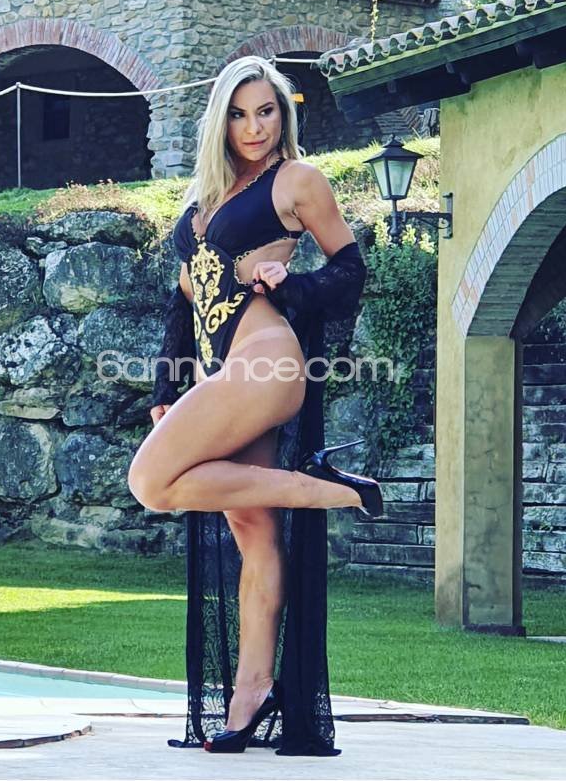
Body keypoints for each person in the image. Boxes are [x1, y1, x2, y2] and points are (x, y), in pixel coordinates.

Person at [127, 55, 382, 756]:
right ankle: (250, 692)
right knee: (253, 530)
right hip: (223, 370)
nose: (254, 127)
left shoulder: (296, 180)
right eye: (239, 114)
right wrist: (165, 389)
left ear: (283, 113)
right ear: (220, 120)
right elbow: (185, 298)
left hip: (266, 360)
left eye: (266, 111)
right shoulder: (206, 196)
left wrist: (289, 283)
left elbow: (350, 271)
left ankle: (325, 488)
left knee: (150, 482)